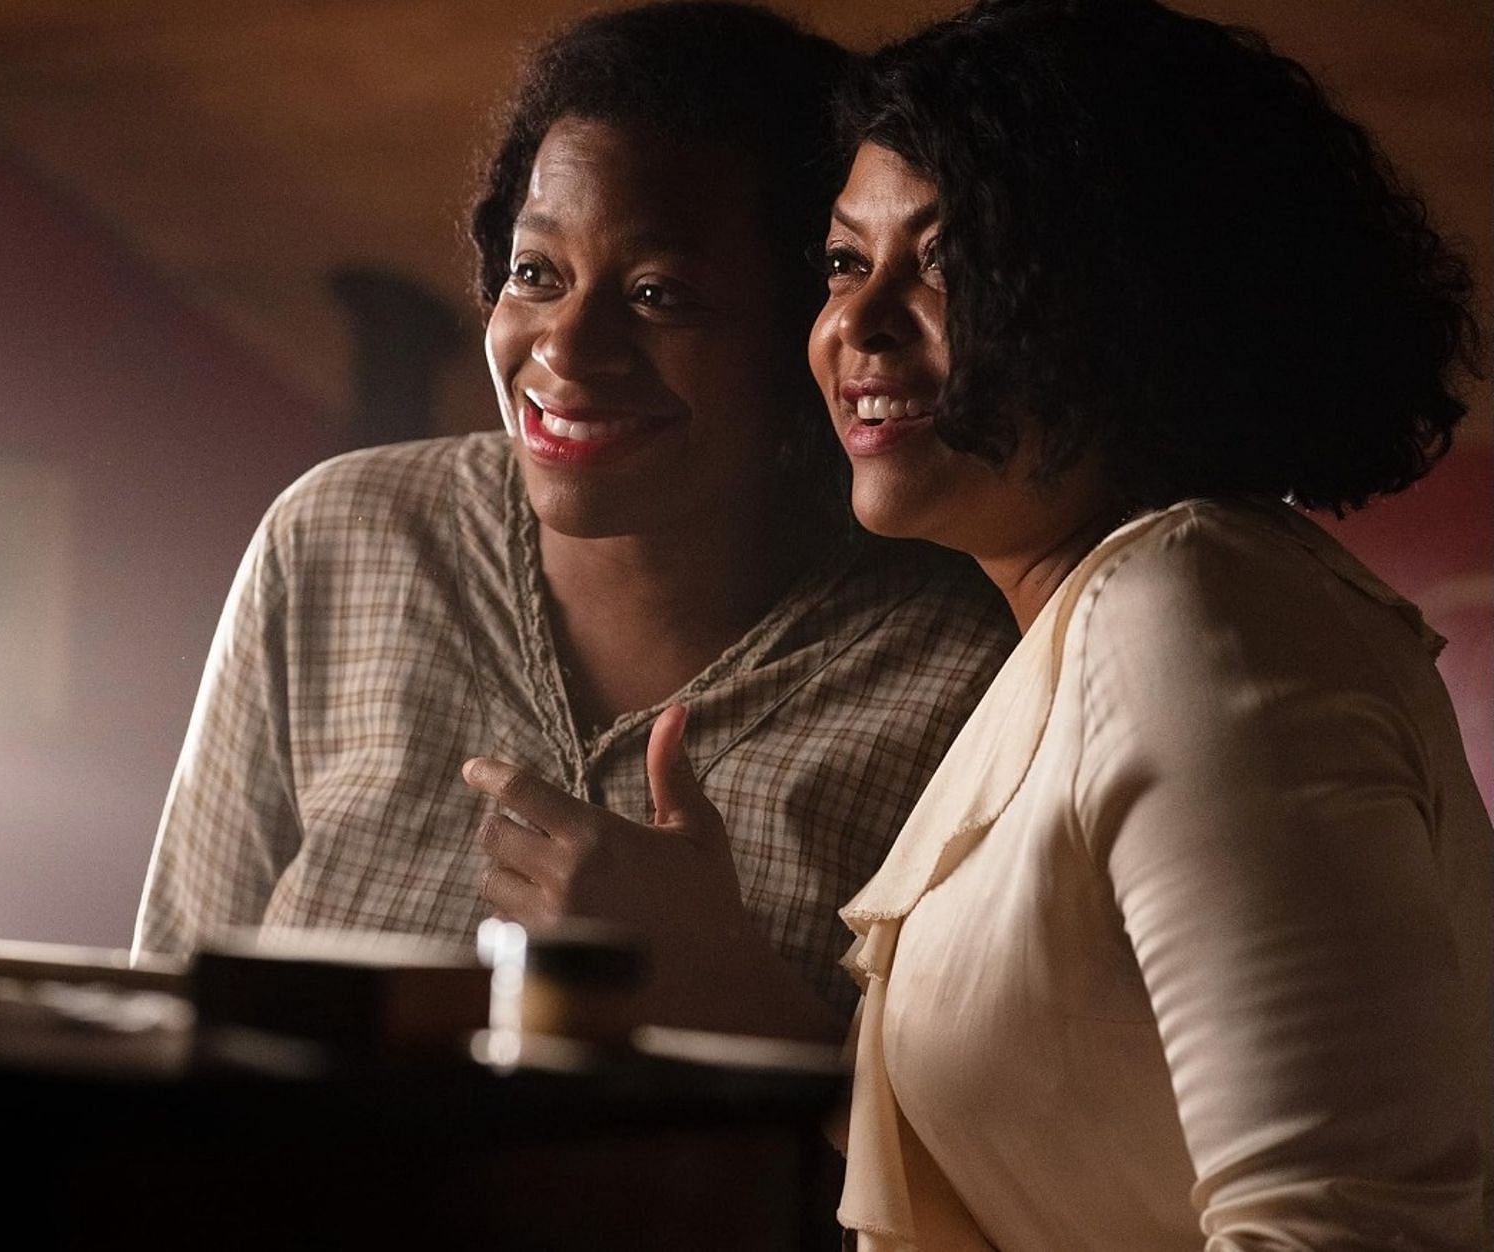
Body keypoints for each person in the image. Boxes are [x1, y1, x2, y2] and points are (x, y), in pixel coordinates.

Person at [470, 0, 1490, 1242]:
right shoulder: (1069, 634)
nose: (859, 324)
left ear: (1141, 298)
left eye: (950, 262)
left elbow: (1346, 1226)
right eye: (848, 263)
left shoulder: (1192, 612)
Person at [132, 0, 1017, 1036]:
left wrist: (726, 981)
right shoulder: (338, 540)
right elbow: (167, 1010)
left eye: (659, 294)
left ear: (804, 328)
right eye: (537, 273)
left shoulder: (958, 665)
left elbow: (970, 1165)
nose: (566, 347)